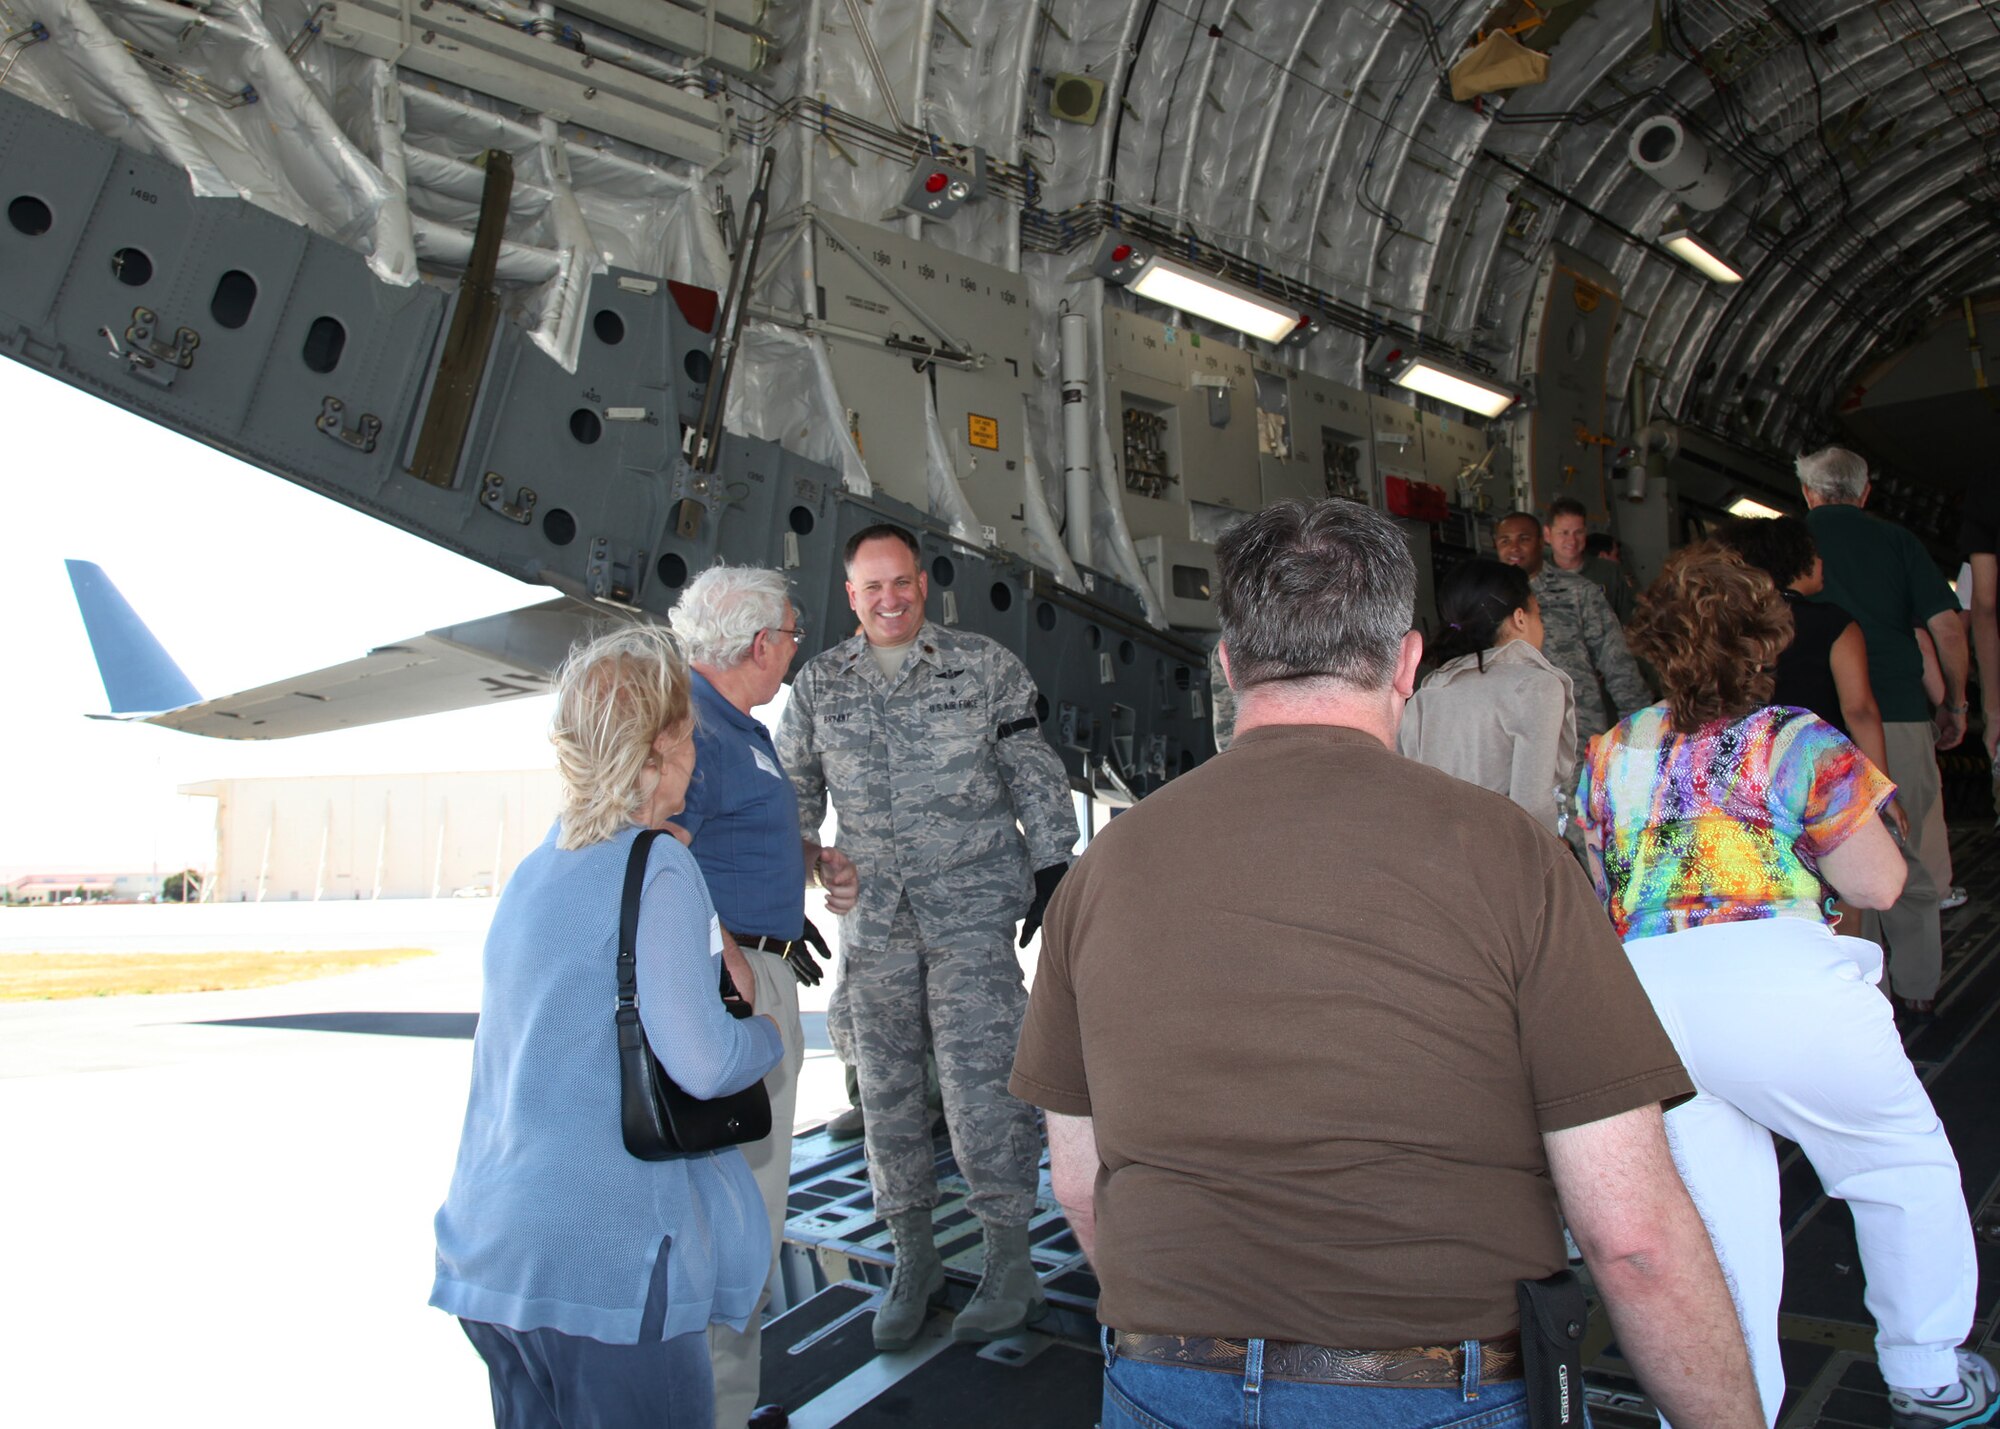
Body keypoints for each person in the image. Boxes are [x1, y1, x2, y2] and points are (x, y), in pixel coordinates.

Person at [1011, 498, 1764, 1429]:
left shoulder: (1104, 870)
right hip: (1431, 1390)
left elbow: (1084, 1185)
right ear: (1407, 662)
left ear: (1229, 662)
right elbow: (1634, 1239)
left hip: (1161, 1380)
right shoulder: (1513, 858)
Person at [1576, 542, 1991, 1429]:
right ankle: (1927, 1372)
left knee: (1718, 1227)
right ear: (1765, 642)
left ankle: (1733, 1407)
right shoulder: (1796, 739)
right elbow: (1878, 885)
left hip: (1646, 1000)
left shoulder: (1611, 752)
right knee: (1893, 1160)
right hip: (1779, 982)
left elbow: (1602, 879)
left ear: (1656, 646)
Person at [431, 623, 786, 1428]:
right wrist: (763, 1030)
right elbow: (701, 1061)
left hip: (496, 1258)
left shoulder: (535, 866)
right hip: (608, 1267)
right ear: (660, 746)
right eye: (688, 734)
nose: (697, 754)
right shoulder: (659, 864)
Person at [775, 522, 1079, 1350]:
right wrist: (796, 869)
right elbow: (794, 790)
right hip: (873, 922)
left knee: (987, 1089)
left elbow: (1032, 768)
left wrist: (1055, 866)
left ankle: (1010, 1264)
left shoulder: (982, 667)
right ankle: (915, 1257)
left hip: (972, 914)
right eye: (872, 587)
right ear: (849, 596)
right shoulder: (819, 686)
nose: (889, 598)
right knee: (887, 1096)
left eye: (901, 581)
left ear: (923, 581)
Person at [666, 566, 860, 1429]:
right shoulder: (698, 729)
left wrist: (807, 862)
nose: (794, 645)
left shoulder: (737, 726)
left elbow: (725, 839)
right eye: (789, 632)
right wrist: (734, 950)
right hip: (734, 996)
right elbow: (662, 850)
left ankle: (727, 1404)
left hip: (761, 973)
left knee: (750, 1205)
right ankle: (716, 1411)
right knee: (740, 1212)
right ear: (757, 645)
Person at [1800, 446, 1967, 1012]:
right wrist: (1956, 702)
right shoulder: (1898, 543)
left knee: (1833, 859)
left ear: (1807, 492)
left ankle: (1866, 996)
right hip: (1896, 712)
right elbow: (1946, 629)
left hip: (1811, 731)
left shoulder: (1792, 543)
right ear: (1866, 492)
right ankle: (1920, 987)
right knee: (1912, 846)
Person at [1714, 515, 1906, 837]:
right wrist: (1881, 790)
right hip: (1818, 776)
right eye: (1814, 554)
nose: (1821, 562)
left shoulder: (1732, 626)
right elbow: (1859, 710)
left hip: (1745, 775)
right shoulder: (1835, 624)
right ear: (1797, 561)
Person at [1397, 557, 1575, 835]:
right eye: (1537, 614)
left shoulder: (1428, 692)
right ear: (1519, 617)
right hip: (1502, 860)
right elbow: (1533, 805)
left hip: (1437, 860)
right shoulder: (1535, 687)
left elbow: (1408, 790)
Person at [1494, 508, 1651, 763]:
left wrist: (1641, 740)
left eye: (1524, 539)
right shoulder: (1487, 602)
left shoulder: (1579, 592)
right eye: (1505, 540)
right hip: (1510, 739)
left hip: (1575, 733)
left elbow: (1618, 665)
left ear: (1541, 540)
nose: (1514, 548)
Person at [1548, 494, 1637, 623]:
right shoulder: (1535, 576)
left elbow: (1629, 620)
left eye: (1578, 532)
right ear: (1547, 534)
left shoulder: (1609, 572)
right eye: (1564, 533)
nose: (1572, 541)